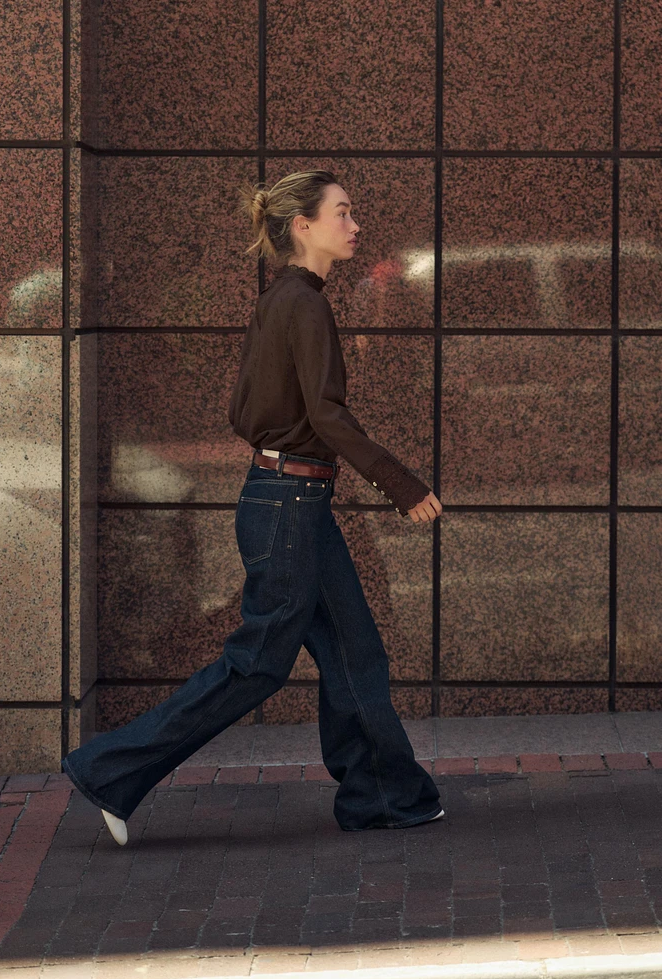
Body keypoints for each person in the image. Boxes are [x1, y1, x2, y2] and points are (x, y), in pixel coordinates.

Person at [61, 169, 444, 844]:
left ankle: (384, 796)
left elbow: (243, 412)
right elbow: (326, 413)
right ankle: (110, 770)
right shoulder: (304, 305)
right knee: (258, 662)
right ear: (303, 226)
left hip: (289, 500)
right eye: (342, 213)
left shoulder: (283, 300)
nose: (354, 226)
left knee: (355, 653)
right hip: (289, 506)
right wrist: (401, 484)